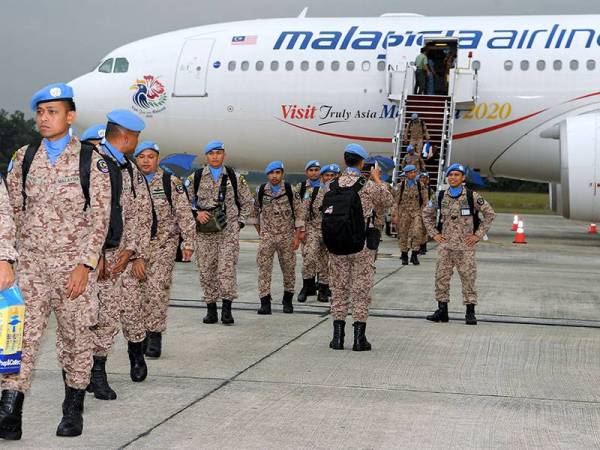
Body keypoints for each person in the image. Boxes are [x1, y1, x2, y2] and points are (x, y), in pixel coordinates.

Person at [0, 83, 111, 439]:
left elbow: (101, 218)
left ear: (70, 116)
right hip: (30, 266)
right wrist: (7, 258)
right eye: (40, 112)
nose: (44, 119)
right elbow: (11, 211)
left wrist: (85, 265)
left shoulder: (90, 161)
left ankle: (73, 408)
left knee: (76, 338)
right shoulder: (24, 157)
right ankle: (9, 414)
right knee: (18, 338)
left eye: (52, 112)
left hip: (72, 268)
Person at [88, 110, 153, 401]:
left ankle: (124, 361)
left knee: (122, 313)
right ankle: (92, 372)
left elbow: (143, 215)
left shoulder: (131, 171)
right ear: (126, 136)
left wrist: (133, 252)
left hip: (123, 259)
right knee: (94, 317)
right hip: (93, 262)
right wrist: (95, 255)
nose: (138, 144)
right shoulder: (93, 165)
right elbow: (83, 216)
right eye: (136, 137)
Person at [324, 144, 393, 351]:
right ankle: (358, 338)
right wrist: (378, 178)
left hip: (337, 242)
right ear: (362, 162)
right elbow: (387, 202)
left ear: (345, 161)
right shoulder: (369, 185)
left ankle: (337, 337)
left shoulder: (331, 184)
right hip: (361, 244)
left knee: (338, 287)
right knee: (361, 288)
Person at [134, 141, 196, 357]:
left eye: (150, 156)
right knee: (136, 294)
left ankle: (154, 334)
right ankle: (138, 335)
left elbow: (184, 214)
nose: (146, 160)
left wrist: (188, 242)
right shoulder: (129, 182)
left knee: (157, 290)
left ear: (157, 159)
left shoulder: (171, 182)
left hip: (163, 246)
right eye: (141, 156)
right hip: (135, 250)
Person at [422, 163, 496, 325]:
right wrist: (434, 234)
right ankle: (442, 311)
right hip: (445, 246)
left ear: (463, 178)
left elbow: (490, 214)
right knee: (441, 277)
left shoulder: (472, 196)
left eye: (457, 175)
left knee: (468, 278)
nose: (453, 178)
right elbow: (426, 214)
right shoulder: (439, 196)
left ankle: (470, 312)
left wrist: (478, 235)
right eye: (450, 175)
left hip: (465, 247)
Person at [191, 140, 253, 325]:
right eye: (211, 153)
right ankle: (211, 309)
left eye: (218, 153)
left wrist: (240, 223)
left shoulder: (234, 177)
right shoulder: (196, 177)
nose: (215, 156)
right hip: (204, 233)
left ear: (224, 155)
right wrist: (196, 213)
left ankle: (227, 310)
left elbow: (247, 201)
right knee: (206, 270)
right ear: (206, 156)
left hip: (228, 231)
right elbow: (183, 201)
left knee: (226, 270)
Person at [254, 161, 304, 314]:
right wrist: (261, 231)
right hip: (268, 237)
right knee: (264, 270)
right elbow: (255, 212)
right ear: (267, 174)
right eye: (271, 173)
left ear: (282, 174)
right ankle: (265, 302)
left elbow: (299, 213)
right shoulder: (261, 190)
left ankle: (287, 300)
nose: (274, 176)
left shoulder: (290, 190)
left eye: (277, 172)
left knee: (289, 269)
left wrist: (297, 237)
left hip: (286, 236)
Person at [297, 160, 322, 303]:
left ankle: (323, 287)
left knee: (324, 260)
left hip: (325, 228)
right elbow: (297, 209)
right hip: (308, 228)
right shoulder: (301, 188)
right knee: (308, 257)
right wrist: (299, 229)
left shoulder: (327, 187)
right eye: (311, 170)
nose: (314, 173)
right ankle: (307, 286)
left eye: (316, 170)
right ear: (306, 172)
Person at [392, 165, 428, 266]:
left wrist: (423, 214)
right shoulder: (400, 186)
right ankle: (404, 255)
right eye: (411, 172)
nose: (413, 174)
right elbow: (395, 202)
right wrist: (394, 215)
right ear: (406, 174)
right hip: (403, 214)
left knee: (417, 233)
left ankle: (414, 254)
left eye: (414, 172)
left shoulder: (420, 185)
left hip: (416, 214)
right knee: (403, 234)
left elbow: (425, 201)